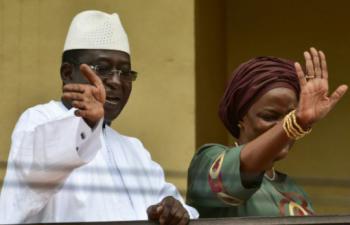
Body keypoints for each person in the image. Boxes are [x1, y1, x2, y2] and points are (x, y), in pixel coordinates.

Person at [0, 10, 198, 224]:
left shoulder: (134, 150)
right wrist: (85, 122)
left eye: (125, 72)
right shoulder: (40, 120)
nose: (116, 81)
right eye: (102, 69)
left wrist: (171, 208)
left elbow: (182, 210)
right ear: (67, 74)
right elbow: (39, 171)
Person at [186, 47, 348, 217]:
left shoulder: (293, 190)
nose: (284, 126)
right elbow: (242, 170)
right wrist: (297, 121)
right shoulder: (207, 161)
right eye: (269, 116)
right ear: (241, 118)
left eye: (290, 116)